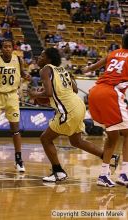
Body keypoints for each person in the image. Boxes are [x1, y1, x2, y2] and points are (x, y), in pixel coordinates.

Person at [29, 48, 119, 183]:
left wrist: (35, 94)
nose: (39, 58)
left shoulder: (45, 70)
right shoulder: (64, 70)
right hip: (78, 105)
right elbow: (75, 90)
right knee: (76, 141)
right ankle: (109, 157)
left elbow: (48, 93)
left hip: (68, 109)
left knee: (45, 139)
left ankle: (58, 172)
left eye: (42, 56)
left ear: (49, 59)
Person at [82, 33, 128, 187]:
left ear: (122, 43)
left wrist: (85, 69)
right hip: (110, 94)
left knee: (113, 136)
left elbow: (91, 68)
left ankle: (104, 174)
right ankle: (124, 174)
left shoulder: (113, 54)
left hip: (95, 92)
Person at [0, 39, 31, 172]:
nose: (7, 49)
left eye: (9, 46)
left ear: (12, 48)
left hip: (12, 96)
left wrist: (26, 75)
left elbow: (21, 72)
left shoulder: (18, 59)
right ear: (1, 48)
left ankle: (18, 159)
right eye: (5, 47)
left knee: (15, 129)